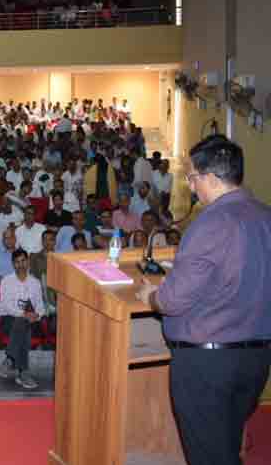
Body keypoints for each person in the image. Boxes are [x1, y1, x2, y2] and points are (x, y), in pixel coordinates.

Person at [136, 135, 271, 465]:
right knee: (226, 447)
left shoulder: (211, 222)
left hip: (208, 362)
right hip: (256, 357)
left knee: (209, 455)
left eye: (192, 177)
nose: (191, 186)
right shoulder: (265, 216)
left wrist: (152, 296)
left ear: (210, 177)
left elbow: (173, 301)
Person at [0, 249, 46, 389]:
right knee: (22, 324)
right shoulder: (6, 281)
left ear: (28, 261)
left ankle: (10, 358)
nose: (21, 265)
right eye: (17, 262)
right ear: (13, 264)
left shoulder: (35, 282)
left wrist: (37, 315)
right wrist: (24, 315)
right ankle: (23, 373)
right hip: (8, 319)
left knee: (23, 326)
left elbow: (41, 306)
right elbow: (6, 306)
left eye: (23, 261)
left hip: (31, 321)